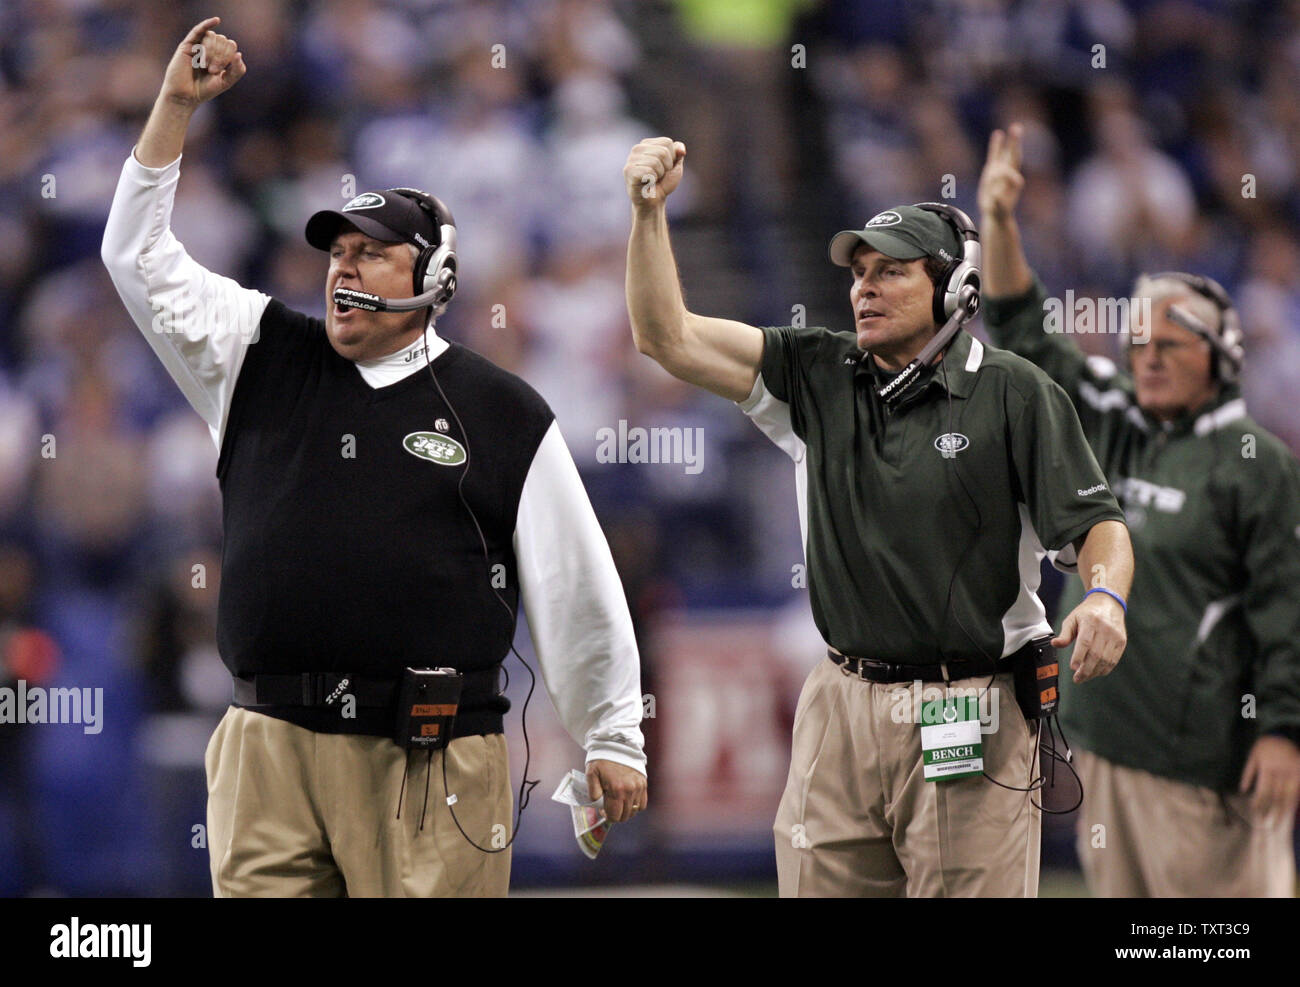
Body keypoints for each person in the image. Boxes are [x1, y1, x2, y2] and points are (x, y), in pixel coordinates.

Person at [101, 17, 648, 898]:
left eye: (372, 254)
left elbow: (572, 576)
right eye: (337, 252)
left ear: (434, 276)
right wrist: (174, 106)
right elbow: (134, 256)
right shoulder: (258, 352)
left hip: (429, 754)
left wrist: (613, 731)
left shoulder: (500, 410)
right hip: (267, 740)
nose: (343, 271)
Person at [623, 136, 1134, 897]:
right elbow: (667, 336)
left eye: (890, 271)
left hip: (973, 700)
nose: (863, 288)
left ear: (956, 287)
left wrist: (1105, 596)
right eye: (858, 273)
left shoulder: (1014, 391)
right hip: (839, 698)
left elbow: (1099, 524)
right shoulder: (817, 371)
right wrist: (648, 213)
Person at [978, 123, 1300, 897]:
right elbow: (1026, 331)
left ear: (1220, 360)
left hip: (1201, 761)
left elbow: (1284, 614)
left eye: (1171, 345)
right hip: (1102, 739)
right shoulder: (1115, 415)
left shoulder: (1257, 465)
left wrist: (1285, 732)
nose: (1147, 357)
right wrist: (998, 222)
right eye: (1139, 342)